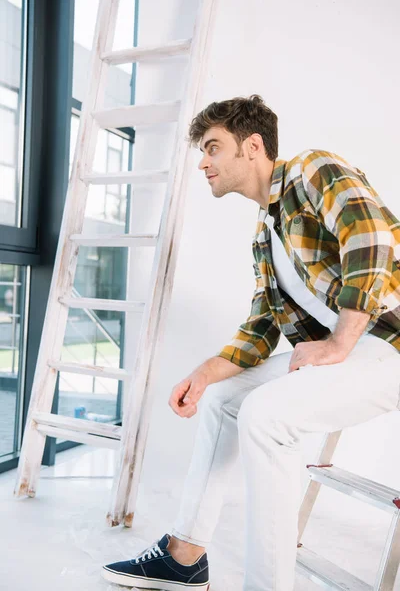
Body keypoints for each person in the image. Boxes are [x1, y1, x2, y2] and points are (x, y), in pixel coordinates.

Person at [102, 95, 400, 591]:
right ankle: (184, 556)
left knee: (266, 415)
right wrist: (203, 374)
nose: (203, 162)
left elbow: (371, 239)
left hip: (389, 343)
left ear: (252, 146)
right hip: (355, 350)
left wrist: (339, 343)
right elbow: (262, 328)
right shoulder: (266, 233)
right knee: (223, 399)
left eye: (213, 147)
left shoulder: (312, 169)